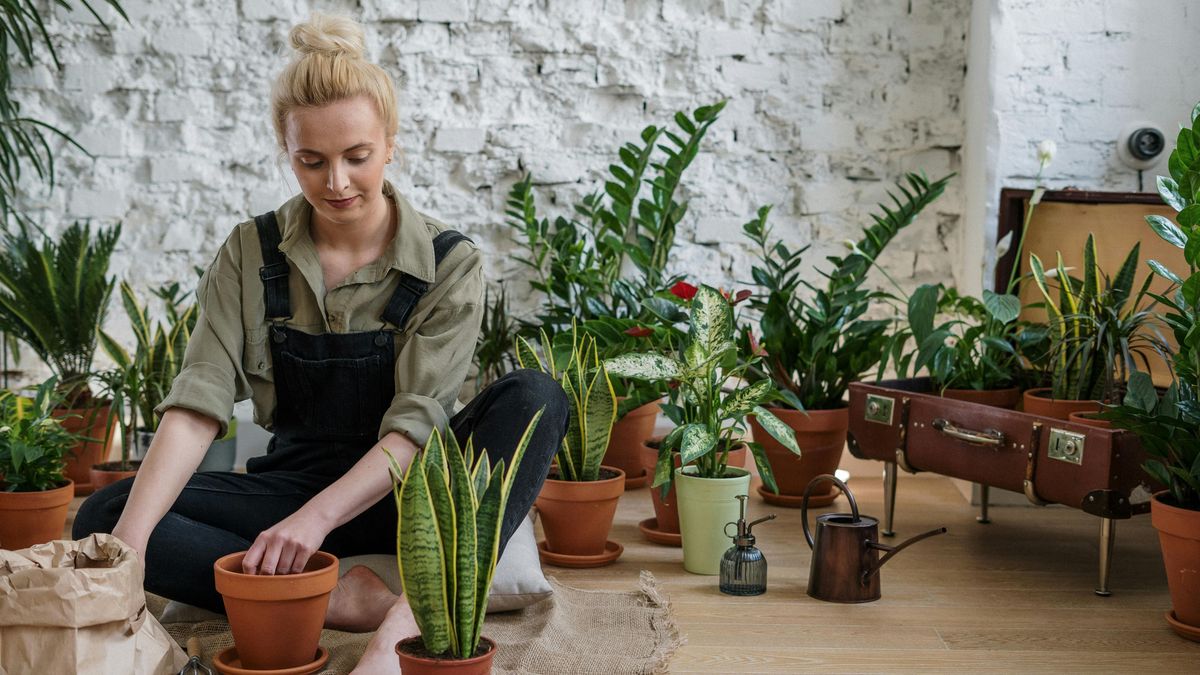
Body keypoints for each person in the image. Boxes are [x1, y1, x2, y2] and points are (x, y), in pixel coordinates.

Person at [72, 13, 567, 673]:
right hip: (293, 483)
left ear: (390, 144)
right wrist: (124, 566)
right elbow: (198, 405)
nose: (336, 182)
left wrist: (314, 522)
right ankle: (338, 599)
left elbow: (417, 428)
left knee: (538, 395)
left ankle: (406, 618)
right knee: (106, 515)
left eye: (356, 156)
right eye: (312, 160)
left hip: (414, 492)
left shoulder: (449, 262)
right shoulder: (250, 252)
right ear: (286, 148)